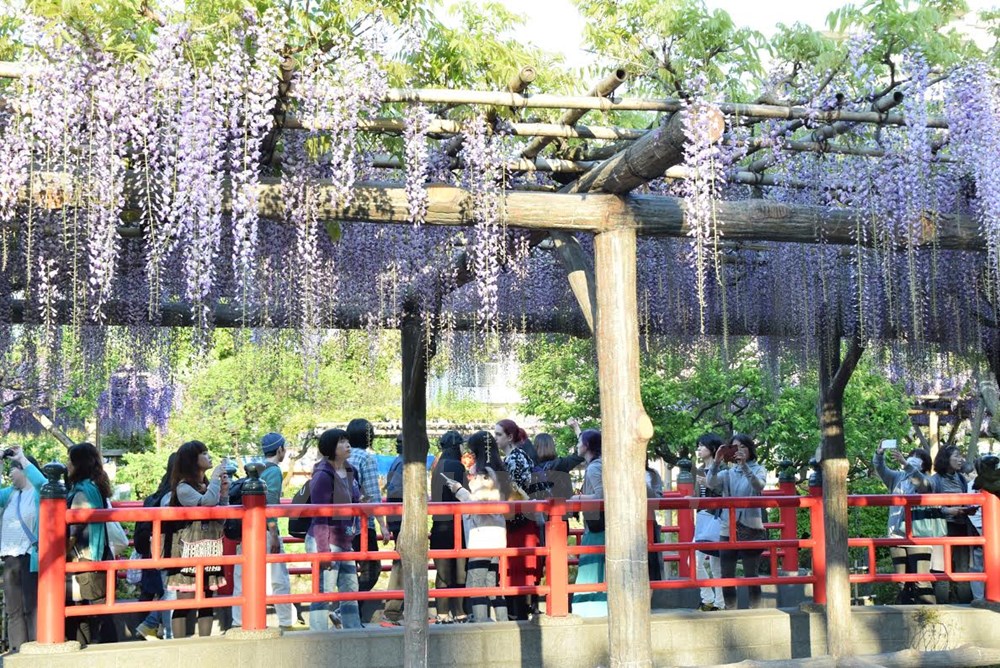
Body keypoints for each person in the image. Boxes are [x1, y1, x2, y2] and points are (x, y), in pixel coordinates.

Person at [162, 440, 229, 639]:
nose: (209, 457)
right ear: (193, 460)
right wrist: (215, 480)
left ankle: (205, 643)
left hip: (209, 546)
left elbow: (220, 516)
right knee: (186, 598)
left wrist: (224, 492)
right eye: (204, 454)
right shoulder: (183, 488)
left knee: (207, 598)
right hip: (188, 549)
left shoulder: (206, 485)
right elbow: (206, 504)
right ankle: (180, 646)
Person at [232, 433, 296, 630]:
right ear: (280, 449)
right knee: (278, 577)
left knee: (241, 577)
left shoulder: (257, 469)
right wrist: (274, 534)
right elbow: (271, 505)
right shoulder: (274, 471)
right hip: (265, 531)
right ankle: (286, 620)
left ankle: (238, 621)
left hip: (247, 529)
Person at [443, 443, 508, 624]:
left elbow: (479, 505)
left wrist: (459, 491)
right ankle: (503, 621)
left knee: (476, 583)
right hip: (496, 537)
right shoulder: (497, 475)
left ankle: (481, 622)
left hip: (482, 538)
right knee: (492, 583)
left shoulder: (481, 478)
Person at [306, 428, 362, 630]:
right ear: (331, 447)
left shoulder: (350, 470)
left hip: (344, 538)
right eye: (341, 442)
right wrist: (323, 551)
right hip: (325, 538)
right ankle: (318, 633)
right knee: (325, 590)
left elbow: (353, 500)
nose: (347, 445)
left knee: (350, 588)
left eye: (347, 440)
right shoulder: (322, 475)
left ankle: (353, 631)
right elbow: (319, 514)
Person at [65, 442, 118, 646]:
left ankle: (99, 646)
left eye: (70, 460)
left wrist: (61, 552)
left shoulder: (81, 492)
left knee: (90, 609)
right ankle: (107, 646)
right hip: (99, 553)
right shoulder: (96, 487)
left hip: (84, 557)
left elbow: (74, 531)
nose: (67, 464)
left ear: (79, 464)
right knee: (100, 608)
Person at [706, 433, 767, 610]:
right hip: (728, 526)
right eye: (734, 447)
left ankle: (755, 611)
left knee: (751, 574)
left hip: (751, 526)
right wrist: (716, 462)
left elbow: (759, 486)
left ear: (750, 450)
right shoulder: (727, 473)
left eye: (743, 447)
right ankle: (730, 610)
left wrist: (745, 466)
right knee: (726, 574)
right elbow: (710, 483)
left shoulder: (759, 469)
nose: (739, 450)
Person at [872, 444, 934, 604]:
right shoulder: (897, 477)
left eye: (918, 459)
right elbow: (881, 469)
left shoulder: (928, 480)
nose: (913, 460)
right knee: (901, 581)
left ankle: (929, 613)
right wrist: (879, 454)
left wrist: (906, 465)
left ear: (924, 465)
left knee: (921, 580)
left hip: (918, 536)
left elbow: (922, 485)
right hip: (896, 535)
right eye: (911, 457)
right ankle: (905, 613)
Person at [0, 447, 45, 652]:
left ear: (24, 471)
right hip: (10, 558)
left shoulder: (37, 493)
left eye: (13, 469)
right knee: (13, 610)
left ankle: (35, 650)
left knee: (31, 608)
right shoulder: (10, 494)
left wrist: (22, 458)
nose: (10, 474)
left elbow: (43, 482)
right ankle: (17, 650)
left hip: (30, 556)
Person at [495, 418, 539, 620]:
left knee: (517, 568)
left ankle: (518, 614)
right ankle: (520, 613)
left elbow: (514, 492)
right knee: (519, 568)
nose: (496, 438)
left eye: (499, 434)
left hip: (517, 520)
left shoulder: (514, 459)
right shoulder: (519, 456)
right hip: (521, 518)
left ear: (509, 436)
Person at [133, 452, 178, 640]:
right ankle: (157, 628)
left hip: (151, 553)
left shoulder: (155, 496)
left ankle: (152, 626)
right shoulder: (174, 495)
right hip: (168, 551)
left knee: (163, 591)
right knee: (171, 591)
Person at [345, 418, 390, 602]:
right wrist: (382, 525)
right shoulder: (366, 458)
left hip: (340, 522)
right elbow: (372, 494)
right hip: (361, 524)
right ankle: (347, 607)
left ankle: (346, 608)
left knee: (347, 570)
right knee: (371, 569)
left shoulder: (342, 455)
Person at [428, 430, 469, 624]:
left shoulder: (438, 465)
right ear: (456, 446)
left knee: (443, 573)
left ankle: (442, 613)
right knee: (459, 571)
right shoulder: (456, 466)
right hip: (455, 524)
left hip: (439, 523)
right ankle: (459, 611)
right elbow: (462, 494)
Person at [930, 445, 977, 603]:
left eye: (960, 456)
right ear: (946, 459)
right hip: (943, 527)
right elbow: (929, 504)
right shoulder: (935, 480)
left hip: (961, 526)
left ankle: (966, 604)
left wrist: (967, 509)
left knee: (963, 568)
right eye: (956, 456)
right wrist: (947, 510)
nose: (960, 459)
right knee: (942, 568)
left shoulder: (961, 478)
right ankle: (941, 606)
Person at [570, 429, 606, 617]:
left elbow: (601, 495)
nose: (577, 446)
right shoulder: (600, 464)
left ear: (587, 446)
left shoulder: (593, 468)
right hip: (600, 524)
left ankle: (588, 607)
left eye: (579, 442)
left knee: (591, 565)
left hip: (596, 525)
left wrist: (577, 498)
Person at [693, 433, 725, 611]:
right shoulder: (698, 470)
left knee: (715, 564)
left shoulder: (722, 469)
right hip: (702, 518)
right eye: (698, 446)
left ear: (712, 448)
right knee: (694, 561)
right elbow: (698, 497)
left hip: (717, 517)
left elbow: (725, 493)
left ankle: (718, 603)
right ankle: (708, 597)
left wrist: (709, 483)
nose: (699, 449)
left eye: (702, 446)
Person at [380, 433, 406, 625]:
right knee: (403, 562)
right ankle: (393, 610)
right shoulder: (404, 463)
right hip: (402, 518)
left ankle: (395, 608)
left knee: (403, 561)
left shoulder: (398, 461)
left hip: (397, 517)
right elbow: (396, 490)